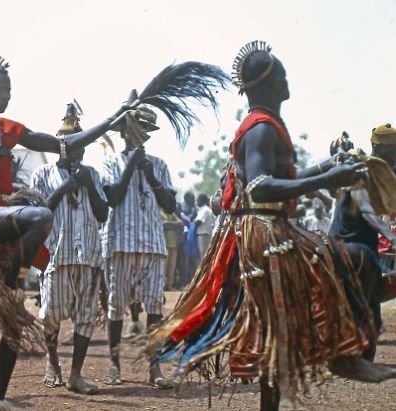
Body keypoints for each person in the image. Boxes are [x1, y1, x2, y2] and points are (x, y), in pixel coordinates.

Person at [145, 41, 395, 410]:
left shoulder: (264, 125)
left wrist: (328, 168)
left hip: (263, 230)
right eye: (281, 73)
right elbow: (262, 188)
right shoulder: (261, 128)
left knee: (278, 335)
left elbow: (275, 179)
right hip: (265, 234)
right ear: (266, 83)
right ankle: (345, 353)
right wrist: (324, 182)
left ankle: (338, 357)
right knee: (358, 258)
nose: (286, 79)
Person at [0, 54, 128, 410]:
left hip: (3, 220)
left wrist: (109, 122)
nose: (7, 96)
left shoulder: (10, 129)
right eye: (1, 90)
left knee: (13, 321)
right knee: (41, 215)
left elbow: (62, 145)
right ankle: (12, 277)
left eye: (10, 90)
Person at [31, 102, 109, 395]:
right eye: (76, 146)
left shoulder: (92, 175)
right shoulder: (42, 174)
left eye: (83, 147)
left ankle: (76, 373)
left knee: (86, 317)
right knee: (51, 313)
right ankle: (53, 362)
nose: (80, 152)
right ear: (62, 147)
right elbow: (37, 212)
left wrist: (88, 185)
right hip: (56, 255)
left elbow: (103, 215)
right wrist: (62, 189)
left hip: (87, 255)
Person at [100, 104, 176, 389]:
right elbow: (112, 198)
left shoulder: (158, 164)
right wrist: (131, 165)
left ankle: (154, 367)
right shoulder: (110, 163)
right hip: (120, 242)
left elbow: (170, 206)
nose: (143, 135)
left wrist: (150, 174)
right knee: (116, 306)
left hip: (152, 244)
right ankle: (114, 363)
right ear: (125, 133)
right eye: (140, 128)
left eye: (148, 130)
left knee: (155, 307)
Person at [329, 124, 396, 335]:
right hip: (348, 239)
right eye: (393, 149)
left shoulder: (382, 169)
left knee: (371, 291)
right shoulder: (360, 168)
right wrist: (391, 238)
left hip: (364, 239)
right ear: (379, 148)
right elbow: (367, 212)